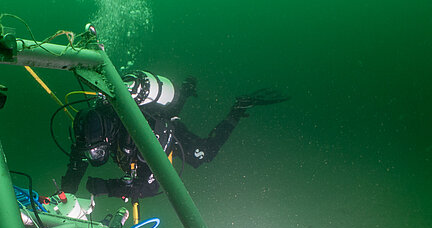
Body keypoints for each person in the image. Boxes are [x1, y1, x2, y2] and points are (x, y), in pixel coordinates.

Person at [60, 70, 288, 202]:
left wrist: (107, 187)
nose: (94, 156)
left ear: (107, 139)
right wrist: (65, 193)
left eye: (97, 152)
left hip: (166, 132)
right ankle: (186, 90)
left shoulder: (139, 136)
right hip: (153, 117)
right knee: (167, 113)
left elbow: (149, 186)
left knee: (203, 155)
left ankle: (238, 109)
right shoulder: (90, 126)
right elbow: (78, 160)